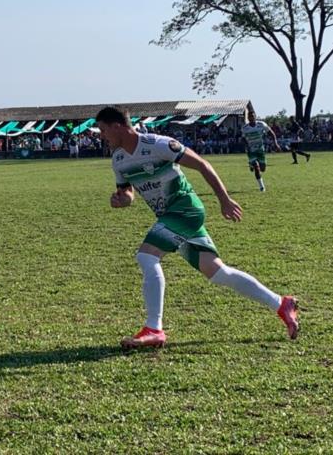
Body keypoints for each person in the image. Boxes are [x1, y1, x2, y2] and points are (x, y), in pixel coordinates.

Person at [96, 106, 298, 350]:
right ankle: (281, 303)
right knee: (218, 273)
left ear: (117, 126)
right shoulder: (118, 160)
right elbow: (127, 192)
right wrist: (122, 200)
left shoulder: (158, 144)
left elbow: (202, 164)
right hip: (171, 217)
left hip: (185, 209)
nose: (102, 135)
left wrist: (224, 199)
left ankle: (154, 329)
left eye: (104, 129)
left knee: (147, 256)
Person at [241, 105, 280, 191]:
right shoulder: (245, 128)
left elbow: (271, 133)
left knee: (263, 169)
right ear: (248, 118)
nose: (251, 118)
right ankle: (262, 187)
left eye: (253, 116)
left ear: (255, 117)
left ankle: (251, 164)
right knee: (257, 168)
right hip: (251, 150)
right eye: (249, 116)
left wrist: (275, 143)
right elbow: (243, 138)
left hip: (260, 149)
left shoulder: (261, 125)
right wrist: (246, 145)